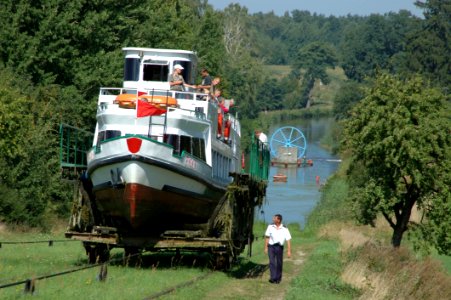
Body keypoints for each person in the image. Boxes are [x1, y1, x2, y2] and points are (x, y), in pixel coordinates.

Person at [264, 214, 292, 284]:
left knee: (279, 263)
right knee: (272, 262)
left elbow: (288, 240)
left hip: (279, 247)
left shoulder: (285, 228)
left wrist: (289, 251)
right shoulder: (270, 226)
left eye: (274, 218)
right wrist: (266, 247)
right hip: (271, 246)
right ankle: (273, 278)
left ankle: (278, 278)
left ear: (278, 220)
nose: (273, 219)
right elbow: (267, 237)